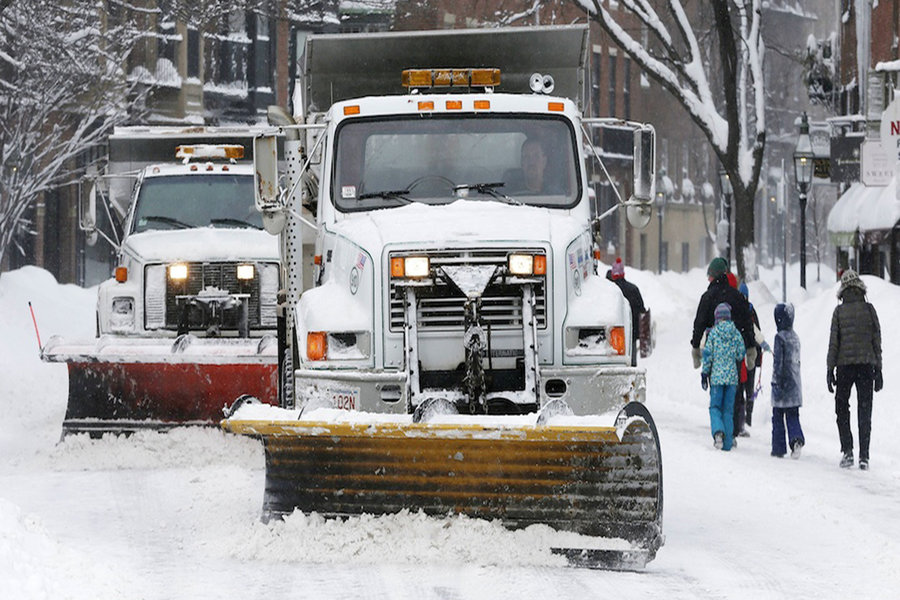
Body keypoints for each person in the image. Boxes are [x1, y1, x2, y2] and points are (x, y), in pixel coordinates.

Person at [826, 269, 883, 470]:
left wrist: (829, 369)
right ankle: (864, 456)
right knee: (864, 409)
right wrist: (879, 369)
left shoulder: (839, 312)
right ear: (860, 287)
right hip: (867, 364)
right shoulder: (869, 309)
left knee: (842, 407)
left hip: (844, 367)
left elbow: (834, 343)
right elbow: (876, 340)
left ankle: (848, 450)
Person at [691, 257, 756, 370]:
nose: (708, 279)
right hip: (733, 352)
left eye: (709, 276)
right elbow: (747, 322)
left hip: (713, 352)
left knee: (716, 384)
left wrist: (696, 346)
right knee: (735, 384)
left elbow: (699, 323)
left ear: (714, 276)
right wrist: (750, 346)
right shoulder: (737, 296)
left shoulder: (707, 298)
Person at [700, 302, 746, 451]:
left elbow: (708, 356)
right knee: (728, 410)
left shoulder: (713, 334)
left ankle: (718, 433)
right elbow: (741, 354)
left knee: (715, 407)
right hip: (732, 379)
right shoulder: (736, 333)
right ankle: (727, 443)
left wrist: (704, 373)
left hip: (717, 379)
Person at [771, 302, 805, 458]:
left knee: (778, 416)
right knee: (793, 415)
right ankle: (796, 439)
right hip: (794, 383)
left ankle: (778, 448)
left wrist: (776, 381)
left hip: (782, 382)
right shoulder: (796, 337)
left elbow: (778, 363)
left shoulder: (779, 338)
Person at [734, 281, 767, 436]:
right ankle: (748, 418)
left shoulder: (736, 310)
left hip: (741, 356)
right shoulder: (751, 311)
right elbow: (757, 333)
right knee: (749, 388)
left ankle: (743, 420)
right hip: (751, 354)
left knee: (741, 388)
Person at [606, 257, 646, 366]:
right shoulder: (633, 289)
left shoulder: (609, 290)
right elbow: (642, 312)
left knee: (614, 362)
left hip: (612, 333)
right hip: (631, 333)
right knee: (631, 362)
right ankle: (631, 380)